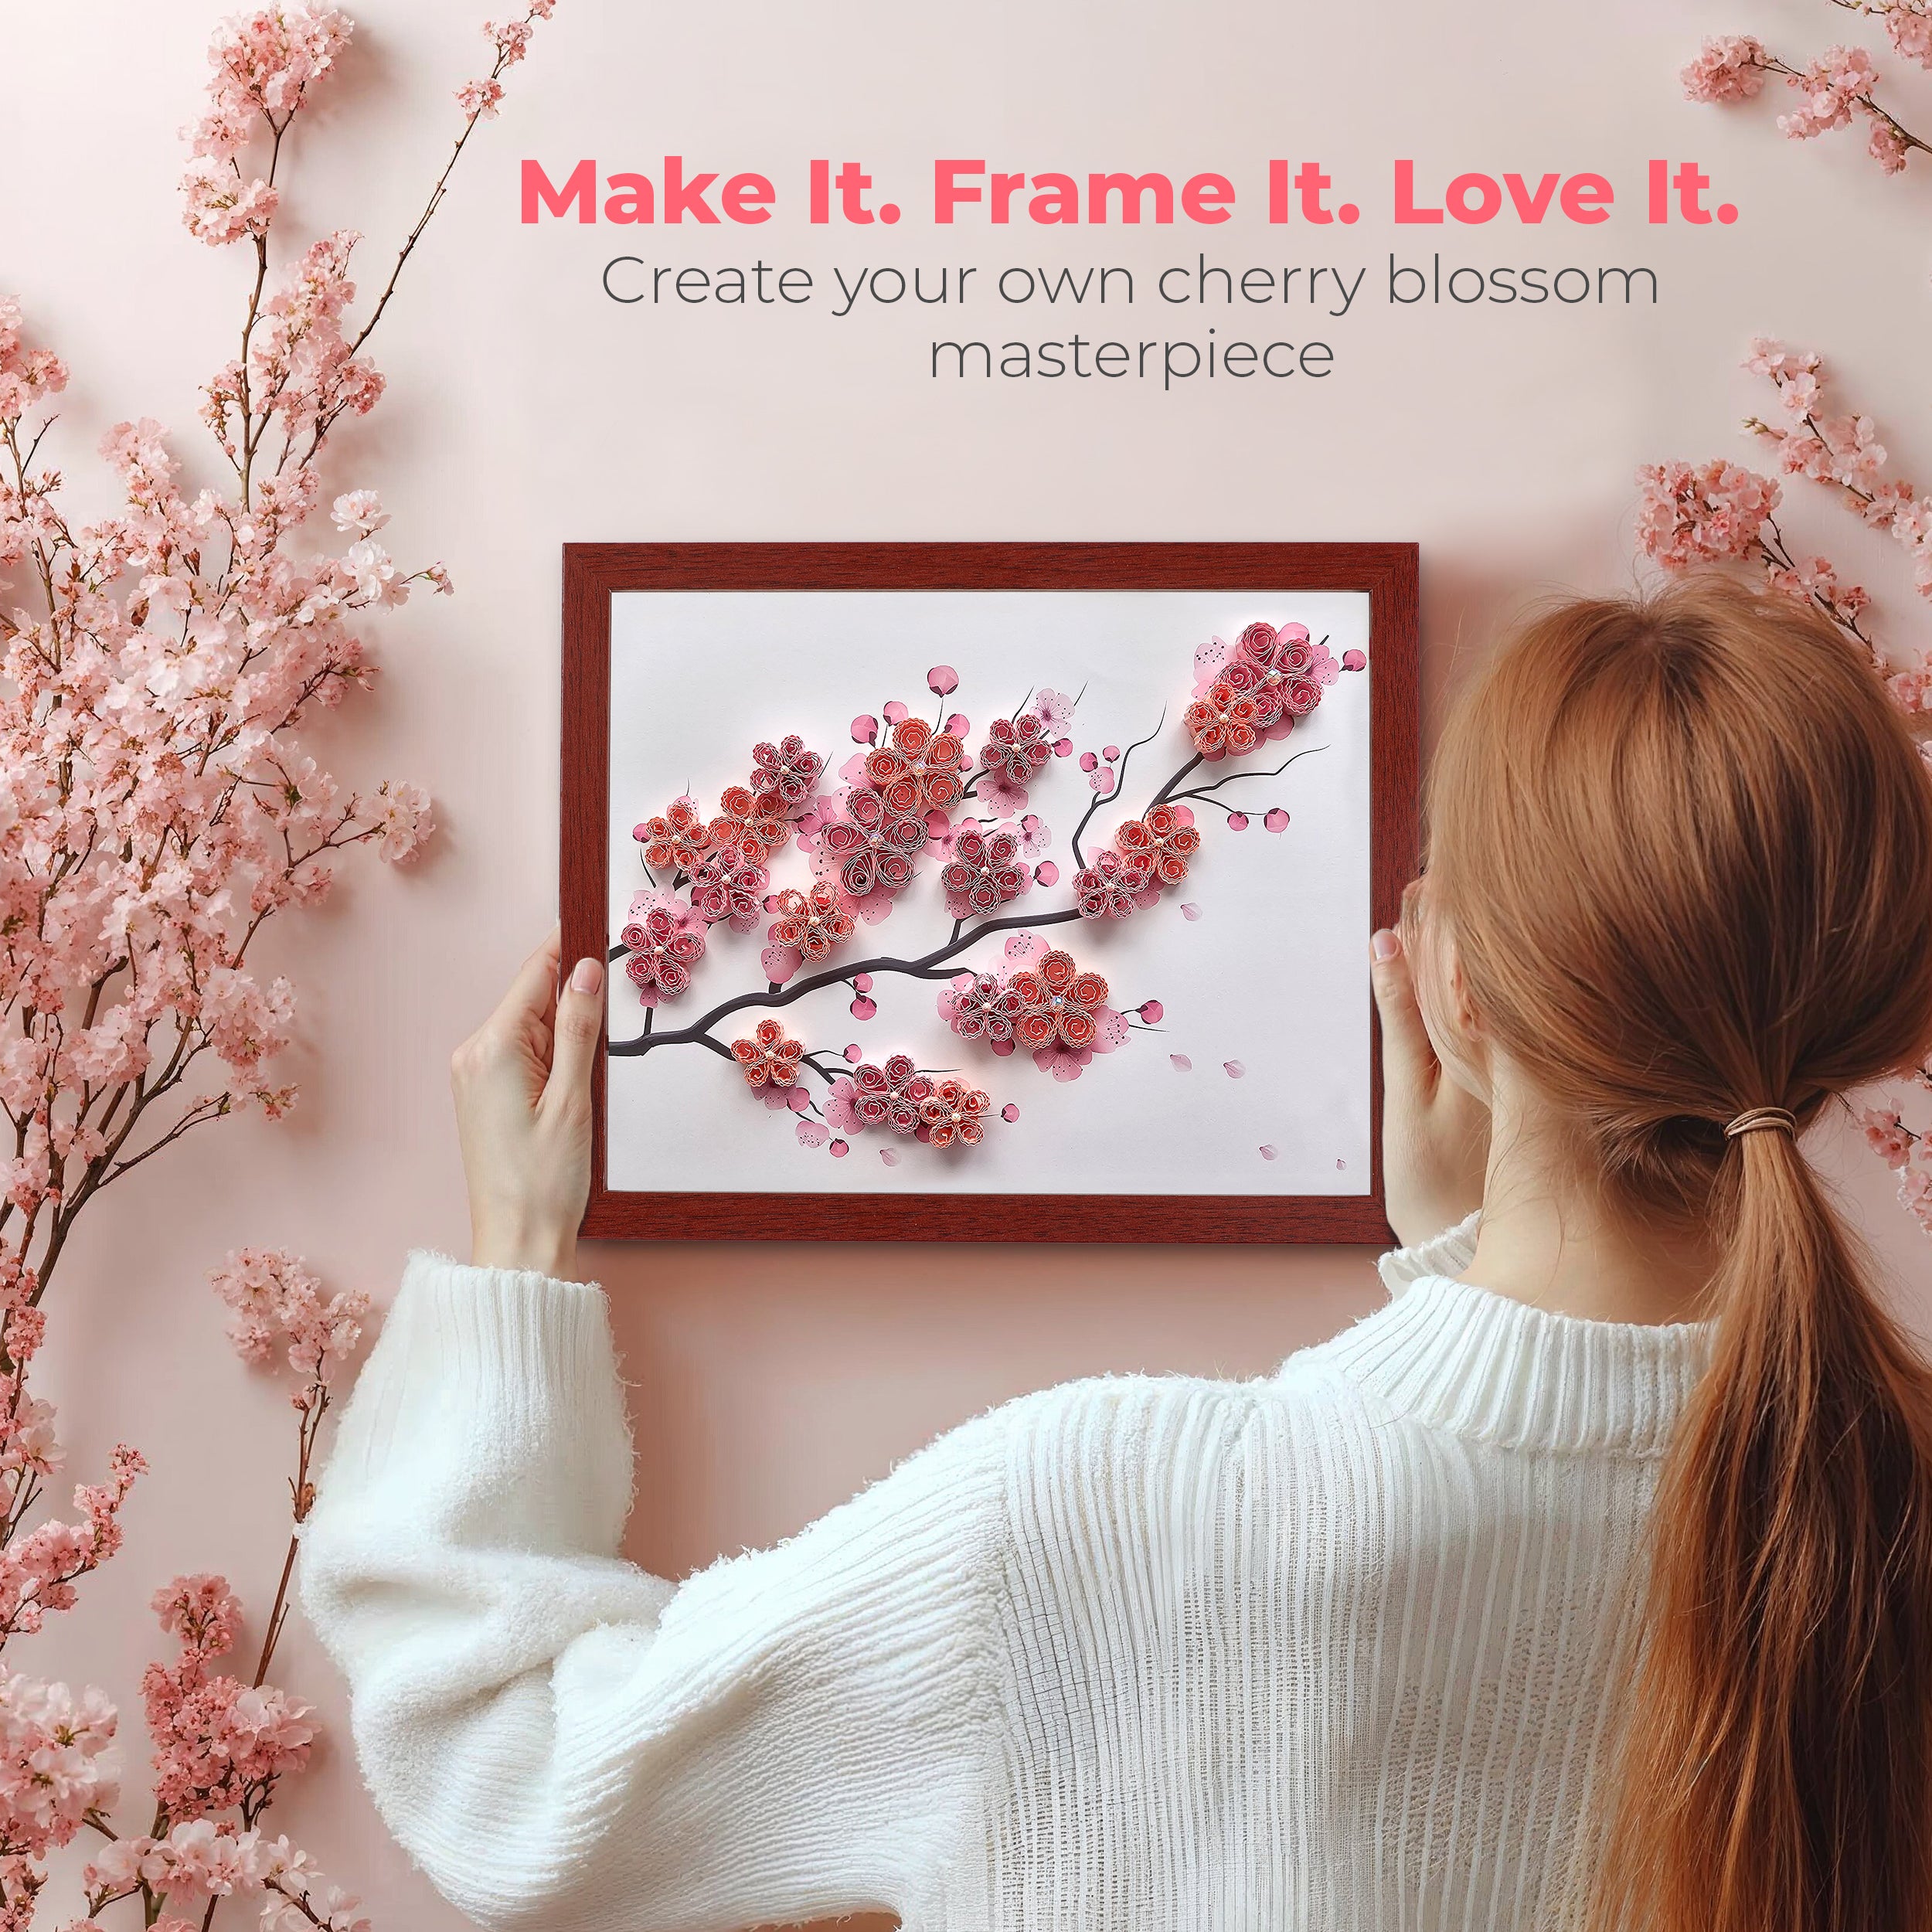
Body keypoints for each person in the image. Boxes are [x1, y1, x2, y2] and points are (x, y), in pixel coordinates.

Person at [298, 574, 1932, 1932]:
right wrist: (1463, 1262)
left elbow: (519, 1782)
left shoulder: (1108, 1516)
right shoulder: (1882, 1489)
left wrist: (516, 1255)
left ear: (1451, 989)